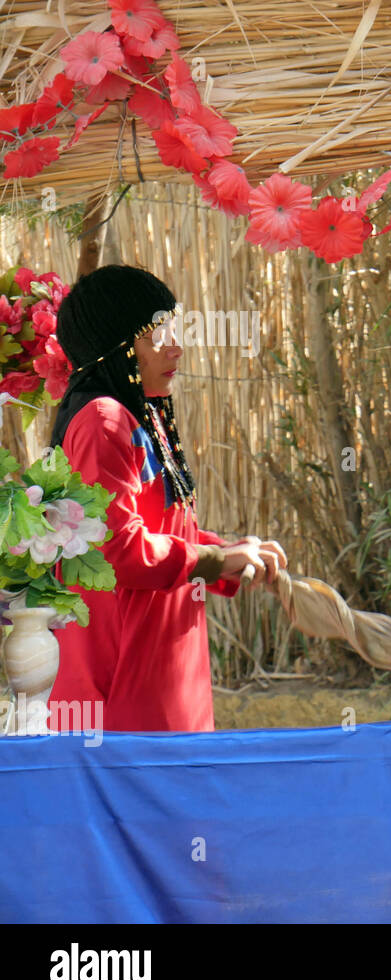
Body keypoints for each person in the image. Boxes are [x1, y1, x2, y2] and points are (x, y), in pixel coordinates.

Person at [45, 264, 288, 732]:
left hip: (165, 670)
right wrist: (215, 560)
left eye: (173, 331)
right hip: (122, 686)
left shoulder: (142, 417)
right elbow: (117, 550)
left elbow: (166, 532)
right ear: (116, 346)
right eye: (157, 335)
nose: (175, 346)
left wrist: (234, 558)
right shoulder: (104, 421)